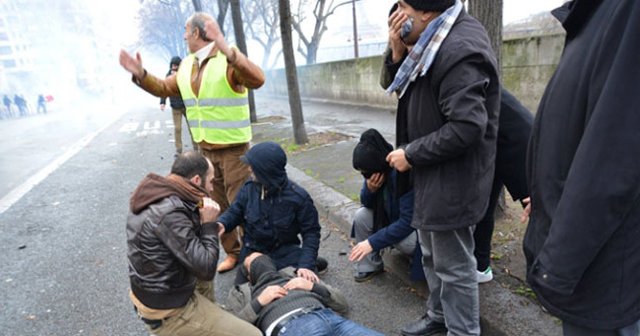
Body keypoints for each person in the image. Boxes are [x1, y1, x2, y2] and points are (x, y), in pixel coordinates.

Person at [522, 1, 640, 335]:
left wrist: (556, 267)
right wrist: (548, 201)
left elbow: (613, 157)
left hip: (600, 266)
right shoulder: (596, 13)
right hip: (585, 253)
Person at [384, 1, 500, 335]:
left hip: (453, 178)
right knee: (432, 255)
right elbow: (399, 88)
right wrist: (396, 49)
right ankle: (438, 318)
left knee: (454, 267)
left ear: (426, 13)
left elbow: (466, 126)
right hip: (429, 171)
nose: (397, 15)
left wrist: (412, 153)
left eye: (403, 6)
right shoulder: (430, 39)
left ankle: (462, 331)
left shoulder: (459, 47)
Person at [119, 12, 265, 274]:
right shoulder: (187, 65)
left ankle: (253, 254)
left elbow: (257, 79)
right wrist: (141, 74)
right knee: (214, 205)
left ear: (197, 33)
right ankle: (232, 253)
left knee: (243, 204)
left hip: (234, 151)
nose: (184, 35)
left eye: (187, 30)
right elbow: (164, 87)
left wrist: (232, 54)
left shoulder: (227, 59)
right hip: (205, 152)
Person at [126, 151, 261, 336]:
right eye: (211, 181)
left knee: (201, 256)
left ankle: (209, 317)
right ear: (197, 180)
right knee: (252, 334)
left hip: (160, 289)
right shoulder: (170, 213)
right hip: (168, 308)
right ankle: (186, 327)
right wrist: (208, 225)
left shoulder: (167, 192)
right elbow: (206, 269)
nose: (212, 188)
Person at [217, 141, 326, 284]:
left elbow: (311, 232)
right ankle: (306, 260)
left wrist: (306, 265)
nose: (249, 169)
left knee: (302, 284)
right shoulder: (249, 188)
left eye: (253, 166)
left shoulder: (298, 198)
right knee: (244, 292)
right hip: (254, 252)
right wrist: (222, 223)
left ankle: (307, 260)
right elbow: (235, 210)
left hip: (284, 250)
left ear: (265, 171)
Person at [227, 252, 384, 336]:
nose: (259, 262)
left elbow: (342, 304)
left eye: (263, 258)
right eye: (251, 263)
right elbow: (231, 329)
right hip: (290, 325)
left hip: (329, 317)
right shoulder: (243, 292)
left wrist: (313, 286)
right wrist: (259, 302)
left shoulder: (293, 273)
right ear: (248, 276)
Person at [348, 129, 421, 283]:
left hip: (415, 229)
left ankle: (417, 259)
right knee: (361, 215)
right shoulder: (375, 172)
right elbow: (366, 203)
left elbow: (408, 222)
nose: (367, 176)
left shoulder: (401, 175)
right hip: (392, 219)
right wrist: (370, 190)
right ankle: (369, 266)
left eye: (367, 172)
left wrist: (372, 242)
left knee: (403, 241)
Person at [160, 56, 198, 155]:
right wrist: (162, 102)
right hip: (175, 106)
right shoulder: (168, 75)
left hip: (186, 105)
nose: (174, 68)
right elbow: (165, 88)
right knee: (177, 128)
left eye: (177, 66)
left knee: (192, 127)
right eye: (173, 66)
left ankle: (196, 147)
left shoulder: (185, 74)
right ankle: (178, 149)